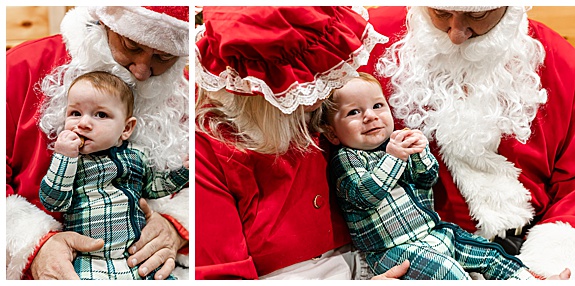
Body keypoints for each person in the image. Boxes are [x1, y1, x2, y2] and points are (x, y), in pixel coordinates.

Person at [361, 6, 575, 279]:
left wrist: (549, 262)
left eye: (476, 16)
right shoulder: (369, 38)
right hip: (412, 256)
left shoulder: (557, 57)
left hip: (532, 249)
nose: (456, 34)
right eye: (441, 13)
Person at [194, 6, 409, 279]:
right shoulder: (212, 143)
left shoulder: (319, 106)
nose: (332, 84)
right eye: (313, 75)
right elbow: (221, 273)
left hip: (374, 250)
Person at [6, 6, 191, 280]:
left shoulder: (185, 91)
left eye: (163, 57)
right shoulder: (18, 66)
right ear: (105, 22)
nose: (141, 72)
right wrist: (30, 243)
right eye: (131, 45)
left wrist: (177, 224)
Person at [320, 72, 536, 280]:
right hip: (392, 250)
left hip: (433, 233)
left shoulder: (395, 142)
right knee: (448, 270)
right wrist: (394, 158)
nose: (370, 116)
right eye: (353, 112)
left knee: (489, 253)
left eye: (377, 106)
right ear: (332, 133)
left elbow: (426, 180)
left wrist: (420, 153)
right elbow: (363, 196)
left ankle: (531, 279)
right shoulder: (347, 158)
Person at [38, 71, 190, 280]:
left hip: (136, 258)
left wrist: (184, 172)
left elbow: (154, 188)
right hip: (91, 258)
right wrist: (64, 158)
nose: (83, 123)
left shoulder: (136, 157)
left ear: (126, 128)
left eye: (100, 115)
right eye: (75, 113)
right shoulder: (72, 161)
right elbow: (54, 202)